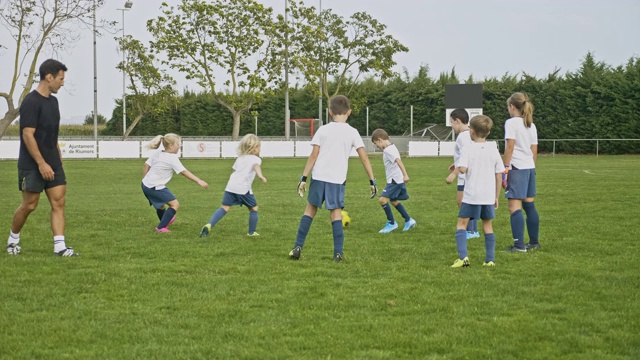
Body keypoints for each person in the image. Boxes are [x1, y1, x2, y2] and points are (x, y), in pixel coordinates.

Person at [290, 95, 377, 262]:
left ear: (330, 112)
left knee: (309, 211)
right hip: (337, 180)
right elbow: (364, 158)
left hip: (318, 177)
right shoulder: (353, 132)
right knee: (336, 214)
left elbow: (314, 155)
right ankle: (338, 254)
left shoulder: (323, 130)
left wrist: (303, 178)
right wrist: (372, 180)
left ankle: (297, 247)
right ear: (349, 112)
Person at [6, 59, 78, 256]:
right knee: (30, 205)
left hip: (53, 161)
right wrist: (41, 163)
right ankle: (13, 240)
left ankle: (60, 247)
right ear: (49, 77)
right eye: (61, 79)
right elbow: (28, 135)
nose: (62, 83)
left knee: (59, 202)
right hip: (32, 164)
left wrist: (57, 155)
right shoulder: (30, 102)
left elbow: (51, 132)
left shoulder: (53, 102)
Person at [451, 115, 505, 268]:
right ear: (488, 132)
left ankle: (463, 258)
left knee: (462, 224)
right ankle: (490, 260)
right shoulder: (493, 148)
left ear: (471, 131)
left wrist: (455, 171)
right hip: (488, 196)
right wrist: (496, 196)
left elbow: (463, 169)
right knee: (488, 226)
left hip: (471, 195)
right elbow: (499, 174)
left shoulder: (467, 148)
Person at [199, 134, 267, 237]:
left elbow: (235, 170)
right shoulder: (256, 159)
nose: (260, 149)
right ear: (254, 148)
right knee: (254, 208)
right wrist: (260, 175)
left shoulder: (240, 158)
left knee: (224, 207)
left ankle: (209, 224)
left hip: (231, 186)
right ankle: (251, 232)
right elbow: (256, 166)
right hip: (243, 188)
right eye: (259, 147)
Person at [142, 133, 208, 232]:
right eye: (178, 144)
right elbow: (184, 172)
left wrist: (145, 179)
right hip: (154, 186)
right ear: (171, 145)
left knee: (161, 205)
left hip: (145, 185)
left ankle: (165, 220)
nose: (180, 146)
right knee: (175, 204)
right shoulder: (172, 158)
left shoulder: (158, 153)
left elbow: (145, 165)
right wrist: (199, 180)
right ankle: (160, 228)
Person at [502, 92, 540, 252]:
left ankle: (518, 246)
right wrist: (532, 167)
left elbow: (510, 146)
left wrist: (505, 167)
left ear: (512, 106)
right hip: (529, 167)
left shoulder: (511, 123)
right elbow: (534, 149)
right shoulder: (530, 124)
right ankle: (533, 242)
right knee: (529, 205)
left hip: (516, 168)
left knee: (514, 207)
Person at [371, 128, 416, 233]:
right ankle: (409, 220)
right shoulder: (391, 147)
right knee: (394, 201)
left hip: (394, 181)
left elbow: (398, 161)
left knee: (382, 200)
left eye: (376, 143)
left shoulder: (388, 150)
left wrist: (405, 175)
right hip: (396, 180)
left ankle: (391, 223)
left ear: (380, 140)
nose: (377, 146)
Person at [445, 108, 479, 239]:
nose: (451, 126)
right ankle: (472, 230)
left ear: (458, 121)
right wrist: (455, 164)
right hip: (467, 173)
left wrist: (454, 174)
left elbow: (467, 157)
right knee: (466, 201)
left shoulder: (463, 136)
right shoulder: (469, 134)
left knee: (462, 202)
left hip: (465, 176)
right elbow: (468, 155)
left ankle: (470, 231)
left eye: (452, 122)